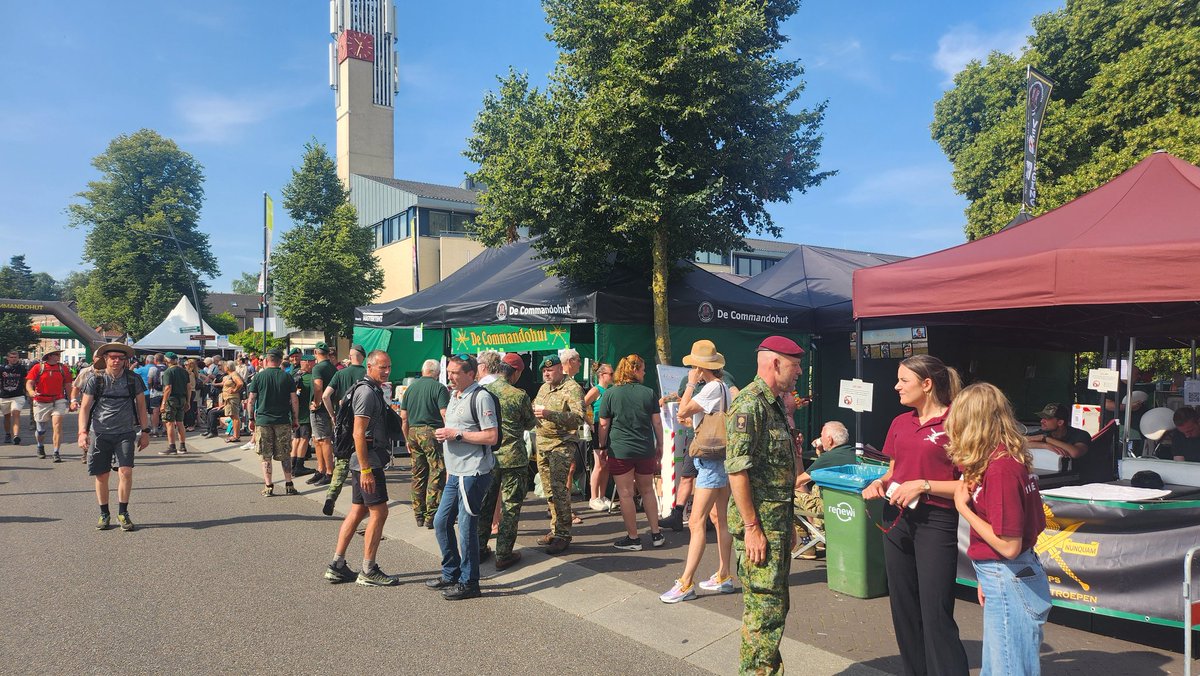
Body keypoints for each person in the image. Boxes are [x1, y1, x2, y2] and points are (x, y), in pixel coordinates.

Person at [861, 354, 969, 676]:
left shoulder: (956, 422)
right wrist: (878, 483)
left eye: (903, 380)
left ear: (927, 384)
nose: (896, 386)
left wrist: (923, 485)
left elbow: (969, 483)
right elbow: (894, 471)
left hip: (936, 522)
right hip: (896, 519)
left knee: (935, 611)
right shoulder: (900, 422)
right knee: (903, 609)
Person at [946, 383, 1050, 676]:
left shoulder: (1001, 467)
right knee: (998, 666)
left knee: (1007, 668)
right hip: (1004, 575)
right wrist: (987, 576)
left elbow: (1008, 545)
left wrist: (963, 508)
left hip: (1009, 573)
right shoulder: (1002, 460)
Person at [724, 336, 804, 673]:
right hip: (762, 531)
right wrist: (753, 529)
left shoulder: (776, 405)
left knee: (774, 609)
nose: (799, 372)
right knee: (762, 617)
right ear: (775, 363)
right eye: (795, 364)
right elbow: (737, 469)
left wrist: (792, 523)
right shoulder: (749, 405)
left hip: (777, 526)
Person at [661, 341, 734, 602]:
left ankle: (686, 583)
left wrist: (691, 383)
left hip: (711, 462)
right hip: (721, 458)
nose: (691, 369)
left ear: (701, 367)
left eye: (694, 365)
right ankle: (724, 575)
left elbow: (682, 409)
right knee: (719, 517)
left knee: (696, 521)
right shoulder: (723, 387)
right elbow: (694, 414)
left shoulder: (710, 387)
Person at [324, 350, 400, 587]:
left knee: (358, 510)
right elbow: (358, 432)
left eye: (389, 367)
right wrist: (366, 469)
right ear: (369, 367)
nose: (387, 371)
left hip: (363, 460)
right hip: (368, 461)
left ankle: (336, 565)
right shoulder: (367, 393)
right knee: (379, 512)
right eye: (382, 367)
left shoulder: (369, 388)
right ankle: (368, 570)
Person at [426, 354, 498, 600]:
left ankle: (470, 582)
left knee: (467, 528)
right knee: (440, 521)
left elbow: (491, 437)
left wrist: (456, 435)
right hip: (456, 472)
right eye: (450, 372)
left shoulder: (481, 396)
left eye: (456, 372)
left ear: (471, 373)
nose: (451, 376)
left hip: (473, 472)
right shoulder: (454, 395)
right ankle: (451, 572)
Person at [78, 342, 150, 531]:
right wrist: (82, 432)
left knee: (125, 471)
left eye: (120, 358)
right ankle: (104, 513)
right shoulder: (96, 379)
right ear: (105, 359)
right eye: (113, 358)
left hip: (125, 432)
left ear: (125, 360)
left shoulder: (133, 379)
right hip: (100, 432)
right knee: (102, 475)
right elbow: (84, 407)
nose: (116, 361)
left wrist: (145, 431)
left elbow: (142, 406)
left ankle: (123, 513)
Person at [596, 354, 664, 550]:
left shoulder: (610, 394)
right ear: (634, 370)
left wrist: (601, 447)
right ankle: (656, 533)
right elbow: (657, 423)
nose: (644, 372)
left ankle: (633, 538)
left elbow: (603, 424)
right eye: (642, 369)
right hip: (644, 449)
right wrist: (660, 444)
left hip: (620, 450)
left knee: (625, 494)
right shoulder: (649, 393)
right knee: (648, 490)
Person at [477, 352, 536, 571]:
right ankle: (503, 553)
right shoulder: (518, 395)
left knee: (485, 504)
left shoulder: (483, 392)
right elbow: (530, 424)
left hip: (489, 456)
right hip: (514, 457)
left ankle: (479, 548)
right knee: (510, 506)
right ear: (517, 372)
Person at [532, 354, 585, 554]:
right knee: (549, 490)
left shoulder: (572, 388)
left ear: (560, 369)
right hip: (543, 444)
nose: (546, 373)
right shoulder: (543, 388)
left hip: (561, 444)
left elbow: (578, 418)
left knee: (559, 489)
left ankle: (563, 534)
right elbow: (536, 408)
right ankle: (555, 530)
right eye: (544, 370)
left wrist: (549, 414)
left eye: (550, 369)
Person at [792, 421, 857, 559]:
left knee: (788, 496)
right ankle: (820, 533)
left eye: (822, 436)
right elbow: (824, 470)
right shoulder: (852, 454)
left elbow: (800, 481)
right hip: (847, 506)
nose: (820, 439)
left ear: (830, 439)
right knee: (817, 487)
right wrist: (820, 452)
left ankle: (806, 543)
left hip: (829, 507)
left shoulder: (829, 458)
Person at [400, 358, 450, 528]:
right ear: (437, 372)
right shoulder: (439, 388)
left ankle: (418, 514)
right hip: (431, 432)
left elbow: (404, 417)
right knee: (437, 471)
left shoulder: (410, 388)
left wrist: (406, 438)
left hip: (413, 432)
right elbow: (444, 414)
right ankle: (432, 514)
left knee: (418, 473)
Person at [320, 344, 367, 513]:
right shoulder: (367, 375)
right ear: (363, 357)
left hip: (344, 424)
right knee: (363, 462)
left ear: (350, 355)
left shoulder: (340, 374)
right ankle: (363, 501)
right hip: (364, 423)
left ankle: (331, 495)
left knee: (341, 462)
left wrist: (333, 415)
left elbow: (325, 395)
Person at [246, 349, 300, 497]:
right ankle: (289, 484)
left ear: (267, 360)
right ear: (279, 360)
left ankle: (269, 486)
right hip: (283, 420)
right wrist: (295, 419)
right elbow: (294, 400)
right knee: (285, 453)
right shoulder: (287, 377)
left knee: (265, 454)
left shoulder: (258, 377)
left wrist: (251, 419)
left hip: (263, 421)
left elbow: (251, 400)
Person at [25, 348, 71, 461]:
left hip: (58, 400)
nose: (59, 356)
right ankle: (40, 446)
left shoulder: (63, 368)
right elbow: (29, 382)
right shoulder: (38, 367)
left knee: (57, 426)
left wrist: (71, 400)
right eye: (56, 354)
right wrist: (31, 392)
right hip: (41, 401)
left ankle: (56, 452)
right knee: (40, 430)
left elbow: (68, 385)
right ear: (49, 356)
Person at [560, 348, 588, 525]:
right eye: (577, 360)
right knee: (567, 471)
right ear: (570, 362)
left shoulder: (567, 381)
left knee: (566, 471)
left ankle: (559, 507)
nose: (579, 363)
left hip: (567, 434)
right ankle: (565, 510)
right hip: (563, 436)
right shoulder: (564, 383)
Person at [584, 362, 614, 511]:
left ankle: (602, 496)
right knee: (599, 464)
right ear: (602, 375)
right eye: (611, 374)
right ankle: (593, 497)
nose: (613, 376)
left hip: (609, 428)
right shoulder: (596, 390)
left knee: (606, 464)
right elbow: (581, 405)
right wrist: (590, 423)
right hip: (598, 427)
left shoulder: (610, 390)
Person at [309, 342, 337, 487]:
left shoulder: (318, 368)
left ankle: (328, 472)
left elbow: (318, 386)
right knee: (317, 439)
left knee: (323, 440)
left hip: (320, 409)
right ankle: (321, 469)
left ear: (315, 352)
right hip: (329, 406)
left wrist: (316, 402)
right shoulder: (332, 367)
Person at [158, 352, 191, 455]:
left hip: (171, 399)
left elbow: (168, 388)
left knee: (169, 423)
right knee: (180, 422)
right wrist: (188, 401)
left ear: (167, 360)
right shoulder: (184, 371)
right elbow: (188, 387)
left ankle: (172, 446)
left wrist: (163, 402)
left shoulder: (168, 372)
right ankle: (182, 446)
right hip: (182, 399)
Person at [291, 354, 316, 477]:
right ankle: (299, 466)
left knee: (296, 438)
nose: (314, 364)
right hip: (305, 413)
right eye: (312, 362)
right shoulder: (310, 377)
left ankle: (293, 464)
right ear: (307, 362)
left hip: (295, 412)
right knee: (304, 439)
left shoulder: (294, 374)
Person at [2, 350, 29, 445]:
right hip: (4, 396)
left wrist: (28, 391)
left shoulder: (22, 368)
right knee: (7, 416)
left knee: (15, 413)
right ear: (8, 358)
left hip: (18, 396)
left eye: (15, 357)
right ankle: (8, 434)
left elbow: (26, 381)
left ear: (18, 358)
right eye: (12, 357)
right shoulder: (2, 369)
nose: (13, 359)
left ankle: (16, 436)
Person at [219, 362, 244, 442]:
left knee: (235, 417)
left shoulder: (234, 374)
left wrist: (234, 390)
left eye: (225, 366)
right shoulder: (231, 375)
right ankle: (235, 435)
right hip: (229, 398)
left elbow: (240, 383)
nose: (224, 367)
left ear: (228, 367)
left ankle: (236, 436)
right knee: (233, 417)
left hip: (232, 398)